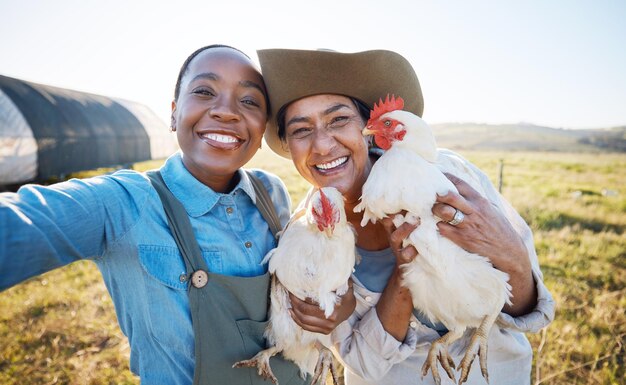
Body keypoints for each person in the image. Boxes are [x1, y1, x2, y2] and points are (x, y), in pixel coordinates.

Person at [0, 45, 314, 385]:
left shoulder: (271, 193)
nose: (226, 111)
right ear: (174, 113)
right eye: (204, 92)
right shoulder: (125, 203)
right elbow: (21, 221)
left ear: (263, 125)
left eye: (250, 101)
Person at [256, 48, 555, 385]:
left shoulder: (447, 175)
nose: (323, 145)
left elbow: (532, 311)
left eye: (339, 120)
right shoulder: (302, 239)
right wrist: (404, 274)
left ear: (366, 127)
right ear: (288, 145)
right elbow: (363, 364)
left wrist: (509, 252)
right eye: (300, 130)